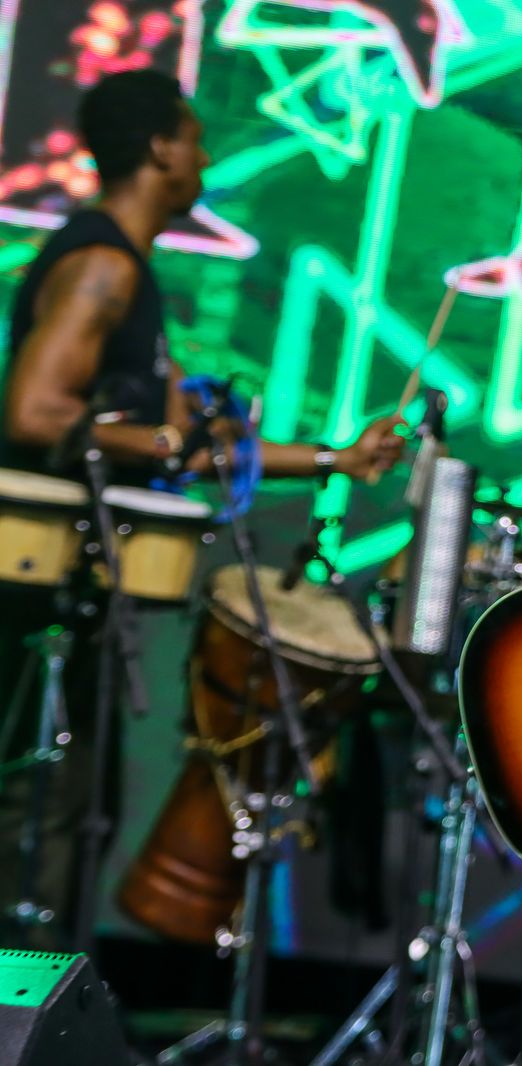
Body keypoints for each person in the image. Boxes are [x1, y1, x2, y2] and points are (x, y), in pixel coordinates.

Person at [0, 69, 405, 949]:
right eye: (193, 139)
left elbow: (195, 443)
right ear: (159, 149)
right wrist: (158, 441)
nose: (206, 156)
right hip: (32, 600)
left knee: (79, 813)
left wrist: (337, 457)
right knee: (42, 819)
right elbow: (33, 410)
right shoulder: (103, 266)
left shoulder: (127, 273)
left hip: (71, 600)